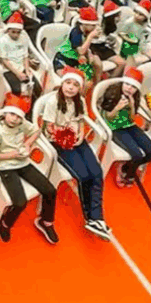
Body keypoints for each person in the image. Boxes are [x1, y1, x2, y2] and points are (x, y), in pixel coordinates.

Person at [37, 68, 110, 240]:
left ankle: (97, 218)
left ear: (80, 88)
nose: (71, 87)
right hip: (58, 140)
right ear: (62, 83)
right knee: (83, 175)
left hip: (76, 138)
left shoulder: (81, 102)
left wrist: (80, 133)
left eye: (75, 85)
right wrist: (64, 135)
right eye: (68, 83)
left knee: (96, 172)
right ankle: (90, 217)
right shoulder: (53, 102)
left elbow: (80, 120)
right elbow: (48, 127)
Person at [0, 95, 59, 244]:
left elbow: (36, 131)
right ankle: (5, 223)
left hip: (23, 162)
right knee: (20, 202)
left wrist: (28, 144)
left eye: (18, 117)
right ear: (5, 113)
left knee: (50, 190)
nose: (14, 119)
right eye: (12, 114)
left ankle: (46, 222)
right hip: (4, 167)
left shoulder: (22, 124)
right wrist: (13, 154)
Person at [98, 68, 151, 186]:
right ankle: (128, 173)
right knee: (136, 154)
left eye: (133, 87)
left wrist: (131, 106)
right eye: (127, 84)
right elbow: (107, 118)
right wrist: (117, 108)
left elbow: (131, 119)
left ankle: (126, 167)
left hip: (129, 125)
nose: (129, 88)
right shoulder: (112, 93)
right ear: (122, 82)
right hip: (113, 127)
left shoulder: (134, 97)